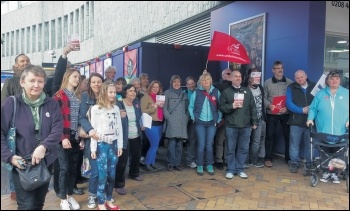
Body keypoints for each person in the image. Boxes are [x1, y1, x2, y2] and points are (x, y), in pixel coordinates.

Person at [1, 64, 63, 210]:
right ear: (22, 82)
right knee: (26, 205)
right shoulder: (12, 103)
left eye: (40, 81)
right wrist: (9, 157)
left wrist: (44, 146)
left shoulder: (51, 104)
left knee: (38, 203)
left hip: (45, 162)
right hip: (21, 163)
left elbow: (57, 129)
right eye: (32, 80)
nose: (36, 85)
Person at [307, 70, 349, 183]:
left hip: (340, 132)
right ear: (328, 80)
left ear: (340, 80)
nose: (334, 80)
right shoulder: (321, 93)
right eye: (331, 78)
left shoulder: (346, 93)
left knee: (338, 152)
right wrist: (310, 118)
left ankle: (335, 173)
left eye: (336, 78)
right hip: (324, 131)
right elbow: (313, 108)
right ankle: (326, 172)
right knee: (325, 150)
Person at [1, 53, 31, 201]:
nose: (25, 63)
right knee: (15, 159)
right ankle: (14, 190)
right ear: (16, 64)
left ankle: (30, 185)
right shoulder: (10, 82)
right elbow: (4, 105)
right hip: (15, 128)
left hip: (32, 127)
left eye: (27, 61)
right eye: (22, 61)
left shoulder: (33, 81)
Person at [90, 80, 123, 210]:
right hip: (101, 145)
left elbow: (119, 128)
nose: (113, 94)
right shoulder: (96, 109)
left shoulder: (116, 108)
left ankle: (109, 200)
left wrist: (120, 145)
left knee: (112, 174)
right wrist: (93, 148)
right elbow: (93, 129)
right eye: (110, 92)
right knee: (102, 175)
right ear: (104, 92)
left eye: (114, 92)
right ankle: (100, 203)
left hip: (113, 145)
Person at [219, 70, 257, 179]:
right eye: (235, 76)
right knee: (230, 148)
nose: (238, 78)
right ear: (230, 78)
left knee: (243, 148)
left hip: (245, 125)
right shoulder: (226, 92)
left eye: (239, 76)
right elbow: (221, 107)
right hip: (231, 125)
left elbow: (252, 107)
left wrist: (254, 121)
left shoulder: (247, 91)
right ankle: (230, 169)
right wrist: (232, 106)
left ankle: (240, 169)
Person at [53, 69, 82, 210]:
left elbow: (78, 120)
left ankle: (70, 196)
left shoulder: (77, 96)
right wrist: (63, 138)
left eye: (79, 77)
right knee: (64, 168)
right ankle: (63, 198)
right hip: (63, 137)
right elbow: (56, 120)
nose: (77, 79)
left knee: (73, 168)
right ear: (67, 77)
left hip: (75, 136)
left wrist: (80, 137)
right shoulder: (59, 96)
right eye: (75, 76)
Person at [188, 72, 222, 176]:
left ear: (211, 81)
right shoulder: (197, 92)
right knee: (201, 145)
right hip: (200, 123)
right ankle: (200, 165)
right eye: (203, 80)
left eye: (207, 79)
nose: (206, 82)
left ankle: (209, 164)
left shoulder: (216, 92)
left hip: (212, 123)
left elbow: (220, 107)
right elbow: (191, 107)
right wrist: (194, 117)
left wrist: (219, 118)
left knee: (209, 145)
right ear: (201, 82)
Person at [78, 73, 104, 209]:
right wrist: (90, 130)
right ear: (89, 84)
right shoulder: (85, 96)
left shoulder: (107, 96)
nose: (96, 84)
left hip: (106, 139)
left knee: (104, 170)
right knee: (96, 171)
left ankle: (102, 194)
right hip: (92, 138)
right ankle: (92, 196)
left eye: (99, 82)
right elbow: (81, 117)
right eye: (93, 82)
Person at [114, 84, 144, 195]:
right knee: (122, 161)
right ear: (125, 92)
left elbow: (139, 116)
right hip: (124, 136)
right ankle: (118, 184)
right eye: (130, 91)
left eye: (134, 91)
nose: (133, 93)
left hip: (136, 134)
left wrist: (142, 124)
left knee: (136, 156)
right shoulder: (119, 104)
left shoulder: (136, 103)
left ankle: (134, 173)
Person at [286, 70, 316, 173]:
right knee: (294, 144)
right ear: (295, 78)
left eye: (302, 77)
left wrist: (312, 109)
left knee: (310, 144)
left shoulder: (314, 85)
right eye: (297, 78)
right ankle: (294, 163)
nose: (300, 79)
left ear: (306, 76)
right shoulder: (291, 87)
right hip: (296, 121)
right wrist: (301, 110)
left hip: (311, 121)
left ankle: (309, 163)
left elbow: (319, 101)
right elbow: (289, 103)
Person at [264, 60, 292, 167]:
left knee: (288, 136)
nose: (280, 70)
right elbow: (264, 98)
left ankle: (288, 158)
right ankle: (268, 158)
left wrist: (287, 108)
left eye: (281, 68)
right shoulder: (267, 82)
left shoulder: (289, 82)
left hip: (285, 113)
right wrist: (269, 105)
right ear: (273, 70)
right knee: (270, 136)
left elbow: (292, 98)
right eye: (277, 68)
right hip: (272, 113)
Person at [163, 75, 189, 171]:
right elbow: (164, 107)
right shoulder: (167, 93)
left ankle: (177, 163)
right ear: (171, 83)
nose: (176, 84)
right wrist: (168, 118)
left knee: (179, 145)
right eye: (174, 82)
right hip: (172, 122)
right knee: (171, 144)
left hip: (182, 122)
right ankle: (170, 163)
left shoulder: (184, 94)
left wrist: (186, 118)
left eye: (178, 82)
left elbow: (187, 109)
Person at [244, 68, 266, 168]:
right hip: (247, 119)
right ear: (249, 76)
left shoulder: (260, 87)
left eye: (258, 74)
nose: (256, 77)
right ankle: (245, 160)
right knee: (246, 140)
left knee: (257, 141)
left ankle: (254, 160)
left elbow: (262, 101)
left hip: (259, 117)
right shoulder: (245, 88)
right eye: (254, 74)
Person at [140, 80, 164, 172]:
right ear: (150, 87)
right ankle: (147, 164)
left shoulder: (159, 97)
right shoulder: (146, 97)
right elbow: (142, 110)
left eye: (157, 87)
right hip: (150, 124)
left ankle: (152, 164)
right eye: (154, 87)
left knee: (156, 145)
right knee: (154, 145)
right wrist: (154, 107)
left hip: (159, 124)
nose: (155, 89)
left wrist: (162, 106)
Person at [212, 68, 233, 170]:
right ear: (223, 75)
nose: (230, 75)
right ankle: (219, 160)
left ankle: (227, 160)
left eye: (231, 73)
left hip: (232, 118)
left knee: (229, 141)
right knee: (220, 140)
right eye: (228, 73)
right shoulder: (216, 86)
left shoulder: (235, 87)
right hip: (220, 117)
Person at [184, 76, 197, 168]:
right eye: (189, 84)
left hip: (196, 119)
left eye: (192, 83)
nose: (191, 85)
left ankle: (197, 158)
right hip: (186, 120)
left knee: (196, 140)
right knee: (191, 140)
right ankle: (190, 160)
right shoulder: (184, 94)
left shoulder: (199, 92)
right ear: (186, 85)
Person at [138, 73, 150, 165]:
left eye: (147, 79)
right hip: (142, 115)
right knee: (143, 138)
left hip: (149, 115)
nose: (145, 80)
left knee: (149, 137)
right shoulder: (139, 91)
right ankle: (142, 155)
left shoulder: (150, 90)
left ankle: (147, 155)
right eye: (143, 79)